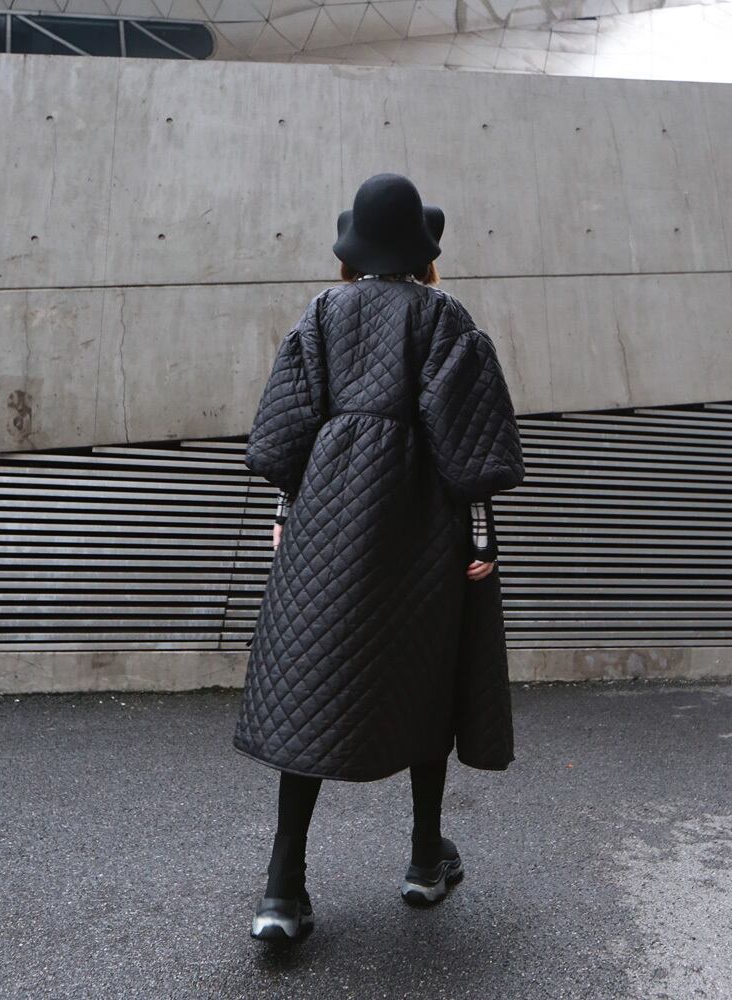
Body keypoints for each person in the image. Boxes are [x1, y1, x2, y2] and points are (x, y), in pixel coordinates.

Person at [233, 173, 526, 941]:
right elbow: (468, 447)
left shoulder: (322, 313)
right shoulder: (442, 317)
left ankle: (281, 890)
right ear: (422, 252)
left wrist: (285, 516)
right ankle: (425, 860)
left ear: (354, 249)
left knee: (307, 687)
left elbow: (285, 432)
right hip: (419, 528)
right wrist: (482, 538)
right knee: (426, 679)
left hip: (324, 525)